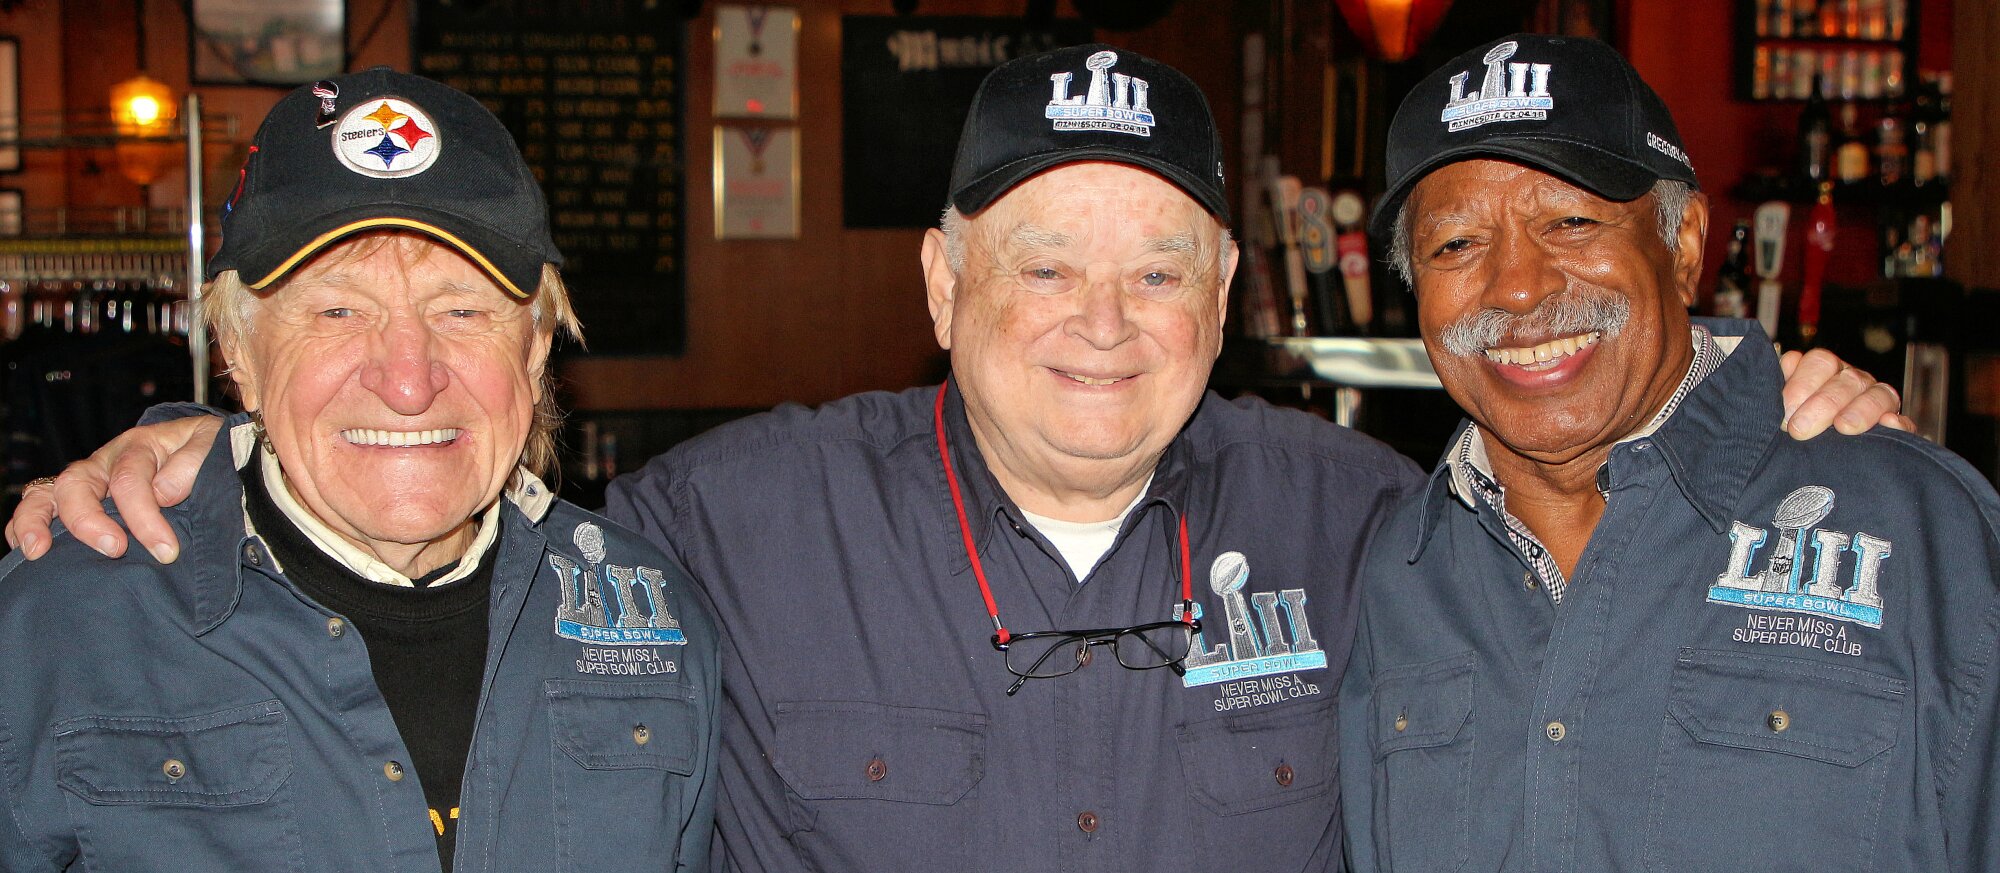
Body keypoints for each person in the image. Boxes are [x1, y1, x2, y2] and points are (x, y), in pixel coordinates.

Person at [7, 46, 1903, 871]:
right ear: (937, 280)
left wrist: (1764, 398)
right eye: (1041, 264)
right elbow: (398, 480)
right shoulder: (700, 533)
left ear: (1228, 291)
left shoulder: (1382, 528)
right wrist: (208, 447)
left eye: (1156, 267)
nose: (1101, 318)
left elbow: (1598, 529)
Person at [0, 69, 719, 872]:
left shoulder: (654, 619)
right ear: (239, 352)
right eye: (338, 311)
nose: (408, 382)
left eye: (462, 311)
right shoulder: (53, 626)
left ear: (536, 347)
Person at [1338, 33, 2000, 872]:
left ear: (1683, 243)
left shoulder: (1921, 533)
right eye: (1455, 245)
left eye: (1571, 222)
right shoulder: (1395, 577)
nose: (1516, 285)